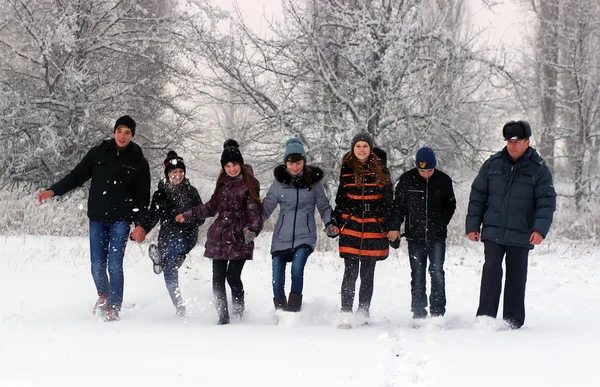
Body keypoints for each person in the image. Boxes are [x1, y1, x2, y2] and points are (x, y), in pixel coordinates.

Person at [37, 115, 150, 322]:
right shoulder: (98, 153)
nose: (122, 136)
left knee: (114, 264)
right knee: (97, 265)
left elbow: (142, 198)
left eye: (127, 132)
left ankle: (113, 306)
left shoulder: (139, 162)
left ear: (132, 135)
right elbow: (76, 176)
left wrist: (141, 224)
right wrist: (53, 191)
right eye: (119, 131)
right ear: (114, 132)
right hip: (97, 218)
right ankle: (104, 294)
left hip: (121, 220)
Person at [466, 120, 556, 329]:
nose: (512, 145)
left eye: (517, 141)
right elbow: (478, 196)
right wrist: (472, 226)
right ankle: (485, 318)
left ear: (527, 142)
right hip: (493, 231)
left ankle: (512, 321)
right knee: (491, 272)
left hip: (522, 232)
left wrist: (540, 230)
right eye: (509, 141)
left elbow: (546, 202)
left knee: (516, 276)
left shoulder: (539, 169)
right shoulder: (492, 164)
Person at [176, 140, 263, 325]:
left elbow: (254, 209)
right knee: (217, 280)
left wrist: (252, 229)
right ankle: (222, 317)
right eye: (227, 166)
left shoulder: (249, 184)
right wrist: (188, 214)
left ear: (240, 163)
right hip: (220, 235)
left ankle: (239, 312)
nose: (231, 169)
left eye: (234, 165)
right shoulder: (222, 183)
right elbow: (211, 207)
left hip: (240, 235)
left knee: (233, 277)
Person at [262, 138, 338, 313]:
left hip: (306, 234)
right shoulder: (278, 183)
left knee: (297, 268)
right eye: (291, 162)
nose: (294, 167)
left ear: (304, 161)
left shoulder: (313, 183)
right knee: (277, 276)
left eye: (298, 162)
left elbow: (324, 207)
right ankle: (280, 312)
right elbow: (266, 209)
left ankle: (294, 311)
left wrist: (330, 223)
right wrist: (253, 227)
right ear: (285, 163)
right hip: (281, 235)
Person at [332, 132, 393, 328]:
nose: (361, 149)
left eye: (365, 146)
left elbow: (388, 202)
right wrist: (336, 220)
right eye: (358, 146)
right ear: (353, 148)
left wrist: (391, 226)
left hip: (374, 226)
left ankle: (363, 312)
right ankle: (346, 313)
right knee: (350, 271)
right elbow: (341, 198)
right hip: (351, 224)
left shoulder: (382, 170)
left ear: (370, 148)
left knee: (368, 272)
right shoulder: (347, 169)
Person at [388, 147, 456, 320]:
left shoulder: (444, 180)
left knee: (437, 272)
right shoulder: (407, 180)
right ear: (417, 167)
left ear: (435, 166)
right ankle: (418, 311)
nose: (426, 174)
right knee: (417, 274)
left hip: (437, 237)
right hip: (415, 236)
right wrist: (395, 227)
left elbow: (450, 205)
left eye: (429, 170)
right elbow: (398, 207)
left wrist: (441, 222)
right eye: (422, 171)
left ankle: (438, 312)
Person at [140, 151, 203, 317]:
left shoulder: (191, 192)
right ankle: (179, 305)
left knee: (172, 253)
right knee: (170, 269)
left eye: (181, 172)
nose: (178, 175)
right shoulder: (160, 195)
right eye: (174, 172)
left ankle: (160, 260)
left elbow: (201, 214)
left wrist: (188, 218)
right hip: (166, 236)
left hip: (187, 235)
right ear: (168, 174)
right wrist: (143, 230)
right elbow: (153, 216)